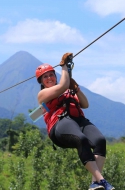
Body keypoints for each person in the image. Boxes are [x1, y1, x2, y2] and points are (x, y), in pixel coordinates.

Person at [35, 53, 115, 190]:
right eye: (45, 77)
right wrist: (64, 66)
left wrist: (76, 88)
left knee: (100, 140)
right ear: (41, 82)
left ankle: (95, 183)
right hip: (60, 124)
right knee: (81, 139)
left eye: (51, 75)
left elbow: (85, 104)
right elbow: (63, 84)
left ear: (55, 76)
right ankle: (102, 180)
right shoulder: (42, 95)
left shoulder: (67, 91)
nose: (49, 78)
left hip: (78, 121)